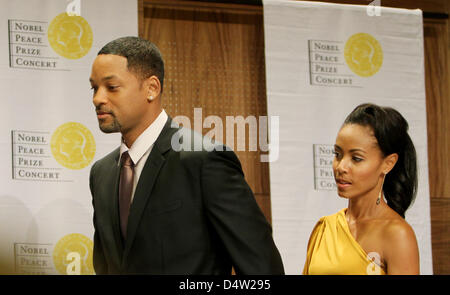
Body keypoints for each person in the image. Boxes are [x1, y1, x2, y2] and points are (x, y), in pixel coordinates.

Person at [88, 36, 284, 275]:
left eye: (111, 87)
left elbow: (262, 270)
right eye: (94, 87)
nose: (98, 98)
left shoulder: (205, 160)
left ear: (151, 88)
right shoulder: (102, 173)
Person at [303, 103, 420, 275]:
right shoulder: (324, 228)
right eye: (337, 155)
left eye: (356, 158)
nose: (341, 167)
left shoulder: (397, 234)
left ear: (388, 163)